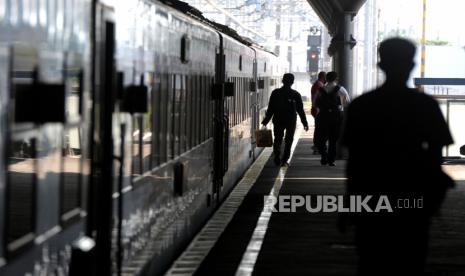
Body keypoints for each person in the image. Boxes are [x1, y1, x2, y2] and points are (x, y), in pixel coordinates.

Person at [340, 38, 454, 275]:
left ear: (381, 65)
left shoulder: (362, 106)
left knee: (372, 262)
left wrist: (350, 205)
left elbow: (355, 163)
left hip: (372, 201)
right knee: (411, 262)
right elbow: (435, 158)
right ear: (411, 65)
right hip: (413, 202)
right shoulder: (426, 105)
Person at [262, 73, 309, 166]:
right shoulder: (296, 94)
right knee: (289, 140)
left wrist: (266, 121)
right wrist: (304, 123)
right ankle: (284, 160)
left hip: (278, 119)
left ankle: (277, 156)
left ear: (282, 81)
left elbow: (271, 108)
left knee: (278, 139)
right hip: (290, 121)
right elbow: (300, 110)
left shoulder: (275, 93)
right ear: (292, 82)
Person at [314, 71, 350, 166]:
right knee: (333, 140)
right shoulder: (341, 89)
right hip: (336, 117)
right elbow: (347, 103)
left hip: (323, 117)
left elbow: (315, 104)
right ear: (336, 79)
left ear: (326, 79)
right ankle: (331, 160)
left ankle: (324, 155)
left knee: (321, 139)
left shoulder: (320, 90)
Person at [310, 71, 326, 154]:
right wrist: (316, 109)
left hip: (317, 110)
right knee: (319, 129)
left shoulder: (318, 84)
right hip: (318, 110)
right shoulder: (318, 85)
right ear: (323, 77)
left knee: (319, 129)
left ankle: (317, 146)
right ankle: (316, 146)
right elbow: (315, 99)